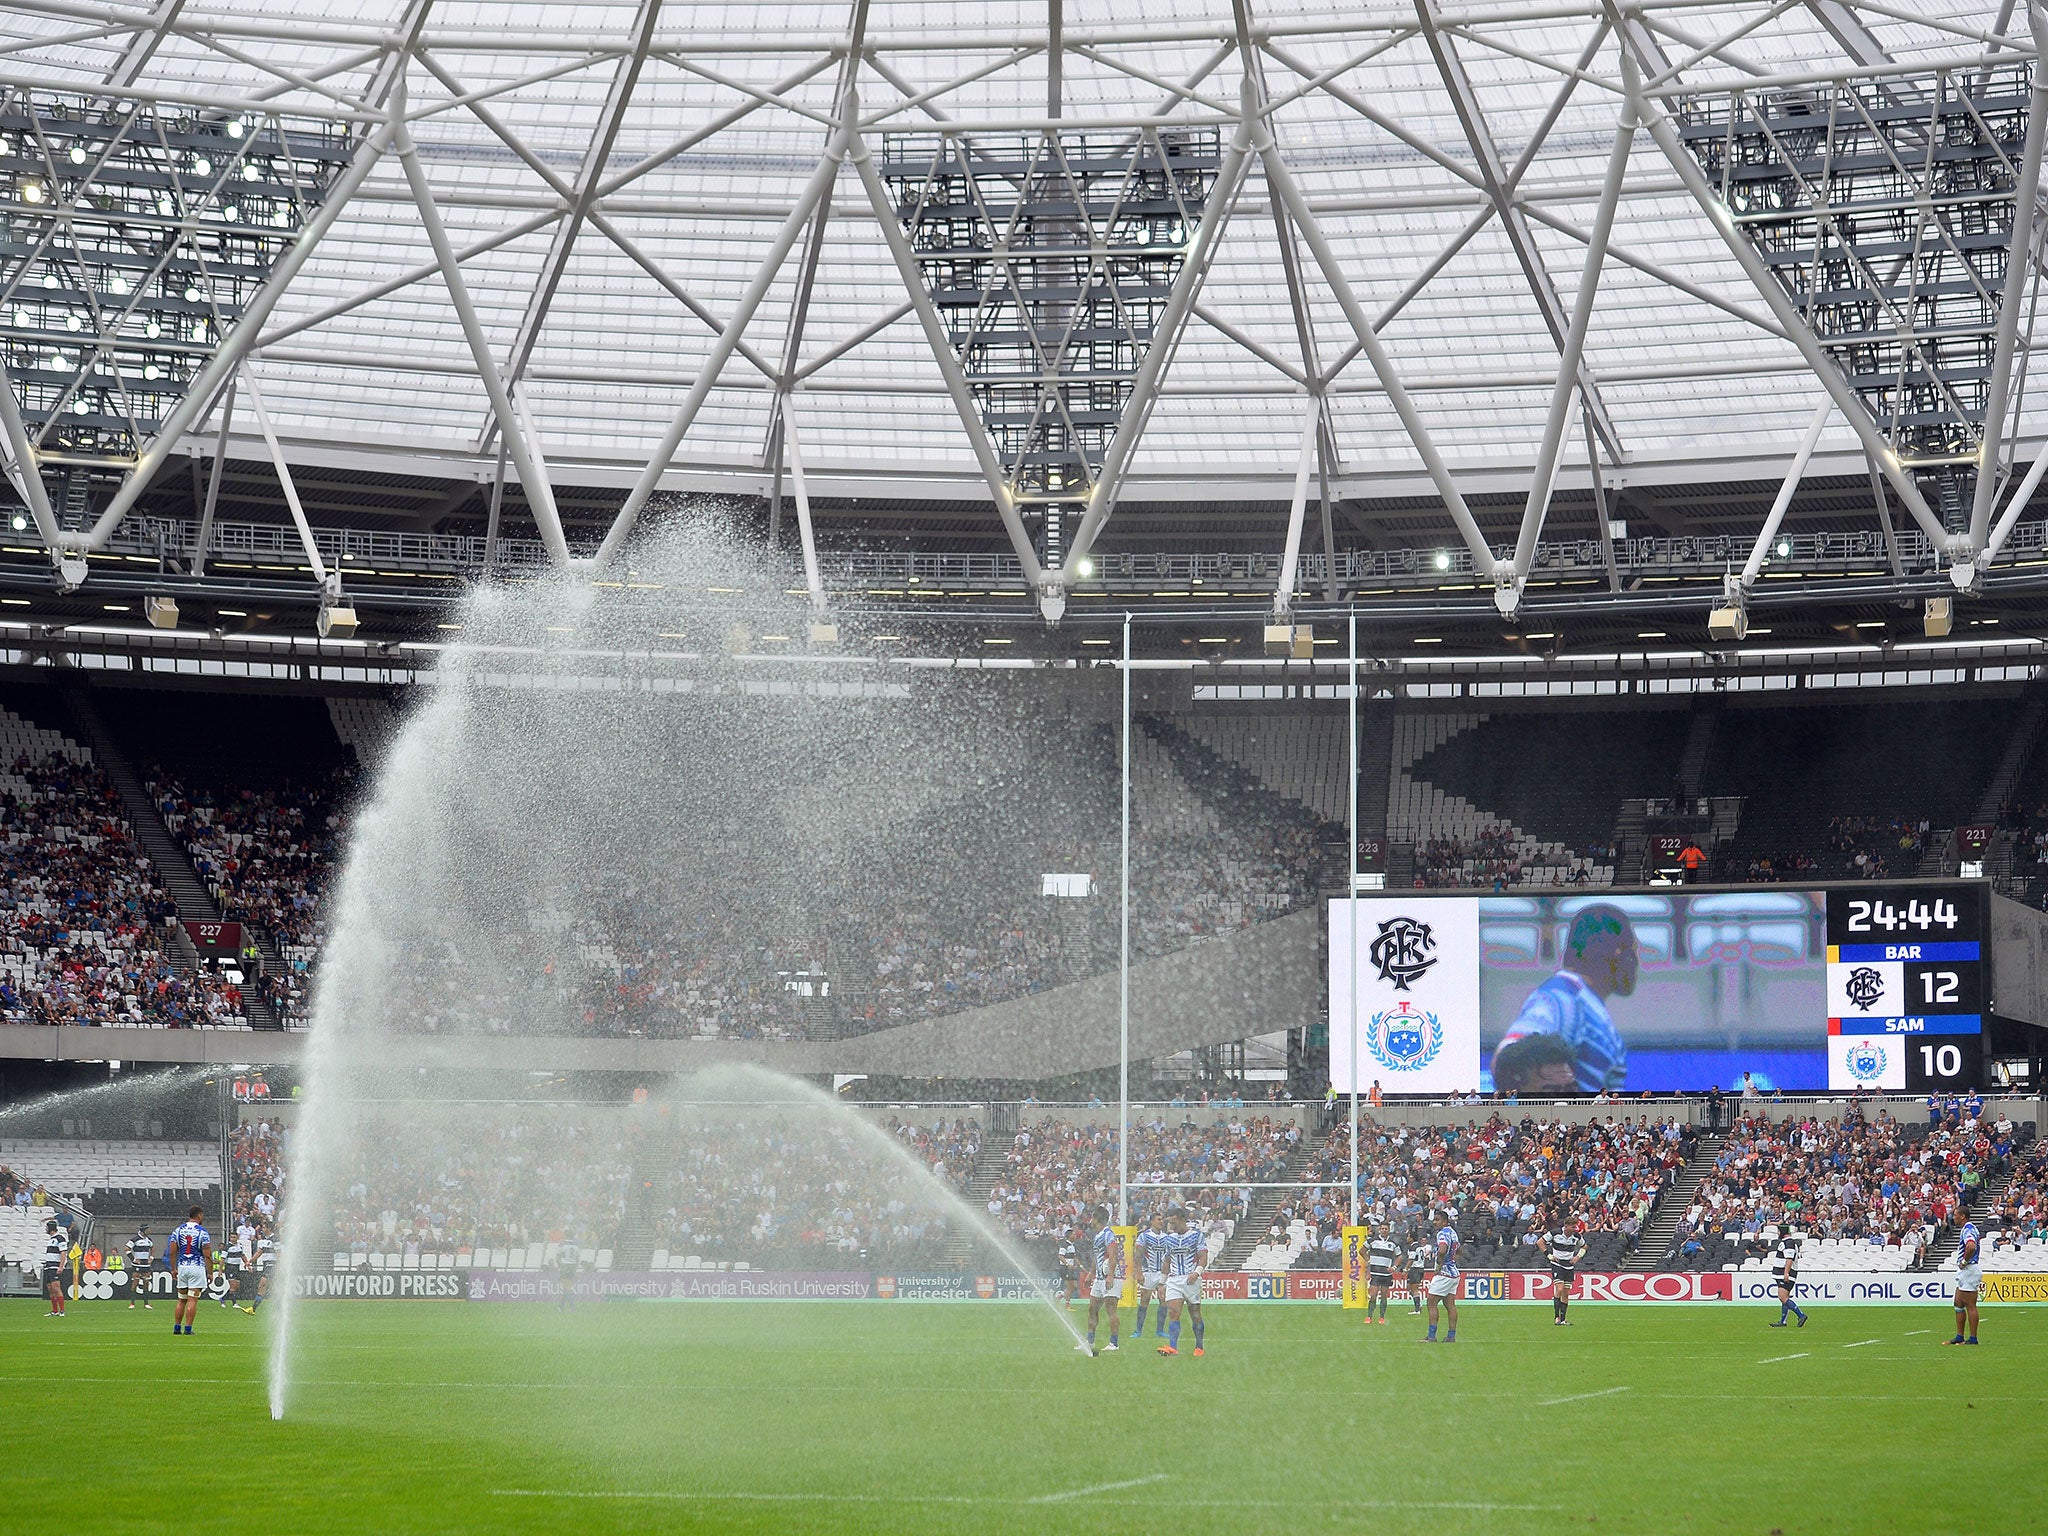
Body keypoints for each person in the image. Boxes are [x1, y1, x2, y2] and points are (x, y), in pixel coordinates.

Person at [1491, 905, 1638, 1094]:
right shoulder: (1563, 999)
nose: (1637, 963)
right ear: (1620, 955)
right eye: (1634, 951)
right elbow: (1506, 1060)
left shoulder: (1584, 1002)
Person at [1156, 1209, 1207, 1357]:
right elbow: (1167, 1260)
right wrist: (1161, 1283)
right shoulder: (1169, 1239)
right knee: (1173, 1312)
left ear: (1183, 1220)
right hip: (1174, 1279)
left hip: (1191, 1279)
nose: (1171, 1225)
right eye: (1170, 1222)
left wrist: (1196, 1272)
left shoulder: (1196, 1236)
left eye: (1174, 1222)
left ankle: (1199, 1347)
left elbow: (1203, 1256)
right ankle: (1173, 1347)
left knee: (1195, 1314)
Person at [1082, 1207, 1124, 1357]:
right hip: (1099, 1279)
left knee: (1110, 1309)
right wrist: (1090, 1274)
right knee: (1092, 1308)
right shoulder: (1098, 1235)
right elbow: (1097, 1257)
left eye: (1092, 1218)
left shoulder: (1108, 1234)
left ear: (1097, 1218)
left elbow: (1113, 1255)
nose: (1090, 1220)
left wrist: (1111, 1275)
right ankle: (1090, 1341)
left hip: (1111, 1277)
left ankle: (1114, 1343)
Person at [168, 1205, 211, 1336]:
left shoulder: (178, 1230)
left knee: (181, 1299)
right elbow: (208, 1255)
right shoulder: (202, 1232)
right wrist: (210, 1273)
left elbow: (172, 1251)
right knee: (192, 1300)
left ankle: (176, 1327)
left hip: (182, 1267)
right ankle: (187, 1329)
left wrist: (174, 1269)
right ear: (199, 1215)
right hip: (196, 1267)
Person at [1424, 1208, 1460, 1343]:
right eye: (1434, 1219)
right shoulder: (1453, 1233)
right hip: (1454, 1273)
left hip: (1444, 1273)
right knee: (1450, 1304)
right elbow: (1460, 1251)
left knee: (1431, 1303)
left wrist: (1439, 1265)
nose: (1435, 1222)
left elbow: (1442, 1250)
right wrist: (1452, 1261)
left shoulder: (1442, 1234)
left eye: (1437, 1220)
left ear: (1445, 1221)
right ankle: (1451, 1335)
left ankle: (1431, 1336)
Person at [1132, 1212, 1168, 1341]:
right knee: (1144, 1300)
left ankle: (1160, 1330)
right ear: (1152, 1221)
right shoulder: (1144, 1236)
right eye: (1159, 1219)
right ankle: (1138, 1330)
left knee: (1163, 1300)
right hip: (1149, 1272)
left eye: (1162, 1219)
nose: (1161, 1221)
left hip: (1162, 1273)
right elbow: (1138, 1255)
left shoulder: (1166, 1237)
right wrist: (1139, 1272)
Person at [1545, 1210, 1585, 1326]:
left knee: (1566, 1292)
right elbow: (1540, 1242)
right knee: (1560, 1289)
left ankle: (1563, 1319)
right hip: (1557, 1264)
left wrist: (1578, 1257)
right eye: (1573, 1227)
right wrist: (1549, 1255)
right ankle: (1556, 1317)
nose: (1574, 1229)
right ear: (1566, 1226)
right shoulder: (1555, 1233)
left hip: (1569, 1266)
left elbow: (1585, 1246)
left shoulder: (1576, 1236)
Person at [1948, 1222, 1982, 1346]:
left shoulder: (1968, 1229)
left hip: (1969, 1269)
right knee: (1958, 1303)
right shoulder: (1970, 1228)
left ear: (1962, 1216)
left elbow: (1971, 1246)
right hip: (1966, 1271)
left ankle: (1973, 1338)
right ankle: (1959, 1336)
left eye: (1956, 1214)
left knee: (1970, 1305)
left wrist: (1964, 1261)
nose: (1954, 1217)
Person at [1769, 1230, 1808, 1329]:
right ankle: (1783, 1321)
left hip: (1786, 1274)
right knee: (1784, 1298)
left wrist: (1786, 1272)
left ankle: (1801, 1315)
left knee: (1782, 1297)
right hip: (1784, 1273)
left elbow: (1789, 1258)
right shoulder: (1788, 1242)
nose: (1778, 1233)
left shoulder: (1788, 1242)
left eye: (1779, 1231)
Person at [1365, 1224, 1399, 1325]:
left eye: (1386, 1229)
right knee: (1373, 1296)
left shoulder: (1392, 1242)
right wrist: (1369, 1260)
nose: (1384, 1230)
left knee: (1384, 1296)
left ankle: (1382, 1317)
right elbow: (1362, 1251)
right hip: (1375, 1273)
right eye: (1382, 1228)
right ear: (1379, 1230)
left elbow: (1400, 1256)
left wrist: (1393, 1267)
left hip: (1386, 1274)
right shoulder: (1373, 1240)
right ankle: (1369, 1317)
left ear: (1389, 1230)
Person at [41, 1217, 66, 1318]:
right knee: (50, 1289)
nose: (45, 1229)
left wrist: (60, 1266)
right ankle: (54, 1310)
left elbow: (63, 1253)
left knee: (56, 1288)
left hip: (54, 1266)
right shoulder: (51, 1239)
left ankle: (62, 1311)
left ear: (50, 1228)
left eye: (46, 1227)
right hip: (48, 1266)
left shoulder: (60, 1238)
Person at [1405, 1227, 1432, 1316]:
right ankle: (1418, 1304)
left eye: (1408, 1236)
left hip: (1415, 1269)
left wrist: (1405, 1270)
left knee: (1414, 1289)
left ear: (1411, 1238)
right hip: (1420, 1269)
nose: (1407, 1238)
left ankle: (1417, 1309)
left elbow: (1411, 1259)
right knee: (1410, 1288)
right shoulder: (1420, 1247)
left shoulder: (1413, 1247)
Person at [127, 1224, 153, 1311]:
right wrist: (133, 1259)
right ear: (143, 1230)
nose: (149, 1231)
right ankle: (132, 1303)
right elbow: (127, 1248)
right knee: (135, 1282)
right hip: (137, 1265)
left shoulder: (149, 1240)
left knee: (146, 1283)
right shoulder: (135, 1239)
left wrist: (151, 1257)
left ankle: (146, 1303)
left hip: (146, 1265)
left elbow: (152, 1248)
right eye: (147, 1230)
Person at [1056, 1228, 1080, 1306]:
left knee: (1074, 1286)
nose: (1075, 1236)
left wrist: (1080, 1266)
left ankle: (1060, 1296)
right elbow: (1060, 1256)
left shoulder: (1072, 1246)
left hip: (1070, 1269)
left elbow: (1074, 1257)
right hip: (1065, 1268)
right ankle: (1067, 1305)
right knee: (1070, 1286)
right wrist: (1067, 1264)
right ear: (1069, 1236)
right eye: (1074, 1234)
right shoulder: (1064, 1245)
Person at [556, 1236, 581, 1312]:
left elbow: (558, 1257)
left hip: (565, 1266)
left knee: (566, 1288)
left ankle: (572, 1307)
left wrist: (560, 1265)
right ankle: (561, 1307)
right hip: (572, 1267)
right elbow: (577, 1259)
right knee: (567, 1288)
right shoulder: (577, 1248)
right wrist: (575, 1269)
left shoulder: (563, 1247)